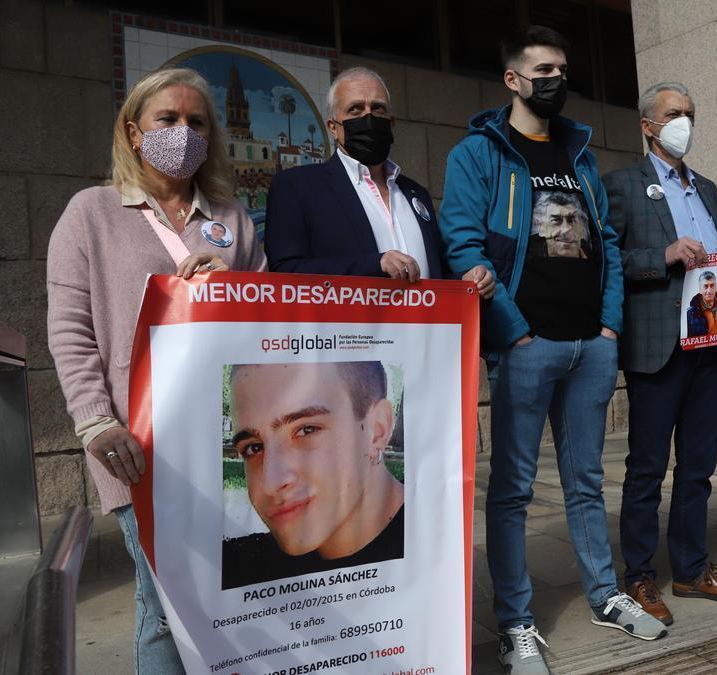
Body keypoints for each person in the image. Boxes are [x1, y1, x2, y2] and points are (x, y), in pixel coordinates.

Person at [439, 25, 666, 675]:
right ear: (512, 79)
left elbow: (610, 248)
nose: (557, 80)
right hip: (524, 349)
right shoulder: (479, 153)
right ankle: (515, 621)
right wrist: (515, 331)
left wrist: (610, 327)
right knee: (511, 490)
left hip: (590, 348)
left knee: (586, 480)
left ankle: (604, 593)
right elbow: (464, 245)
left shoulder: (580, 155)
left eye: (563, 68)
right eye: (543, 69)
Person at [47, 67, 267, 673]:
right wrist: (94, 423)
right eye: (167, 119)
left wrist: (235, 292)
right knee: (166, 602)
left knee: (227, 597)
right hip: (138, 441)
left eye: (197, 122)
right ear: (133, 132)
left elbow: (269, 321)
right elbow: (70, 329)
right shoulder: (90, 213)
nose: (183, 132)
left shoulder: (233, 218)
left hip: (225, 435)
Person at [603, 81, 717, 627]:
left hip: (710, 345)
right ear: (647, 125)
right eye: (673, 114)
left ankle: (691, 568)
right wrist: (662, 255)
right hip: (657, 349)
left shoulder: (708, 189)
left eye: (690, 113)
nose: (683, 122)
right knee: (646, 469)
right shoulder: (622, 184)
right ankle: (639, 575)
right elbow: (608, 259)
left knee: (697, 468)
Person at [265, 66, 493, 297]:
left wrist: (466, 284)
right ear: (333, 127)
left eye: (378, 108)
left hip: (424, 331)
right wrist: (375, 266)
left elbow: (433, 276)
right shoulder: (297, 186)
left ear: (391, 122)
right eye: (355, 109)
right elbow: (285, 273)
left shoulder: (416, 193)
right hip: (349, 332)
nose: (369, 117)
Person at [221, 362, 404, 588]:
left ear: (377, 430)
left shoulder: (449, 543)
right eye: (254, 448)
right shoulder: (235, 570)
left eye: (306, 430)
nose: (271, 483)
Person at [686, 271, 717, 337]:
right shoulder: (691, 313)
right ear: (700, 289)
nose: (709, 290)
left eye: (712, 285)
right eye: (705, 286)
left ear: (716, 287)